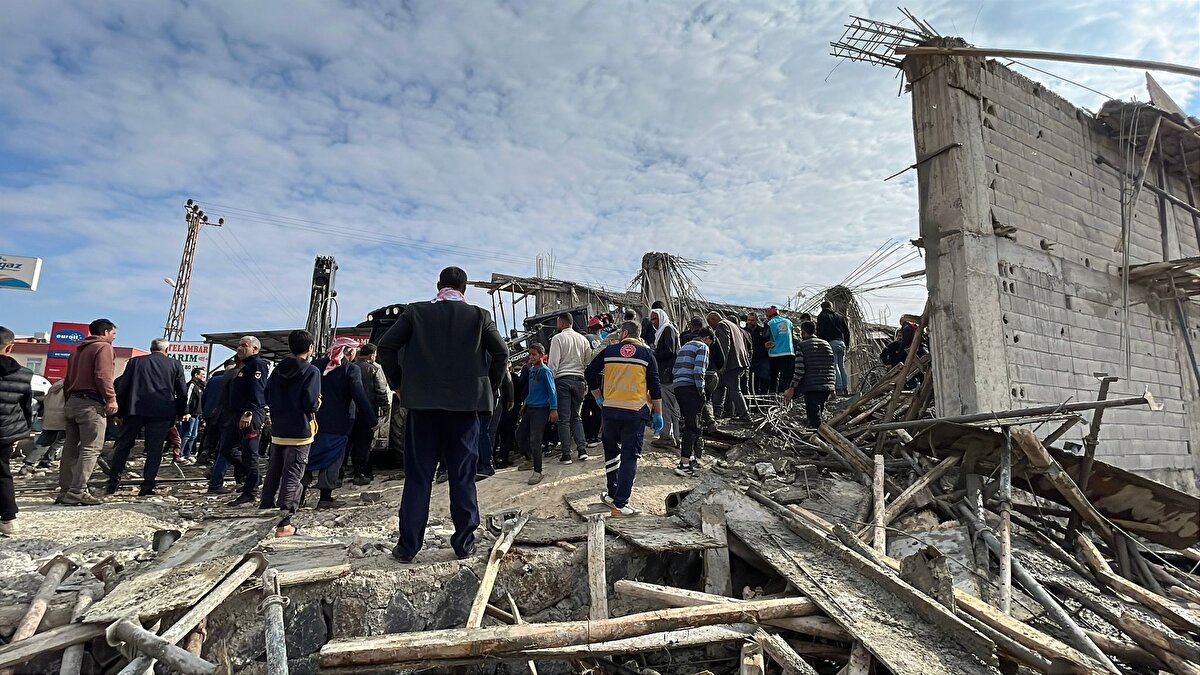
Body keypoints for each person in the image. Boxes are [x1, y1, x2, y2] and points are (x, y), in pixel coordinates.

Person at [378, 266, 508, 563]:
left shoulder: (416, 312)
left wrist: (397, 384)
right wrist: (490, 386)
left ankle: (408, 547)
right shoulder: (479, 316)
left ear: (439, 285)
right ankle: (463, 543)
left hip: (422, 410)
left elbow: (386, 345)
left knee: (418, 478)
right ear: (464, 289)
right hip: (464, 411)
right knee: (462, 476)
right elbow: (500, 352)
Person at [585, 320, 663, 517]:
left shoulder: (610, 351)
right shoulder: (647, 355)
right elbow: (654, 386)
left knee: (611, 452)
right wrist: (658, 414)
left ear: (624, 333)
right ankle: (620, 505)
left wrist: (598, 397)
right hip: (634, 412)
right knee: (629, 456)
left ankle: (612, 493)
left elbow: (590, 372)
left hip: (610, 410)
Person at [106, 339, 187, 497]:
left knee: (123, 445)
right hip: (161, 411)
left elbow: (123, 386)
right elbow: (182, 391)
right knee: (154, 450)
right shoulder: (175, 364)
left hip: (134, 409)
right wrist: (181, 411)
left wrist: (119, 412)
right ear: (166, 350)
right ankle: (147, 485)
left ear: (151, 349)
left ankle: (113, 482)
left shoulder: (135, 362)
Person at [260, 330, 322, 537]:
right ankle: (284, 523)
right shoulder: (311, 371)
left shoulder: (277, 370)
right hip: (300, 431)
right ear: (310, 348)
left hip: (278, 429)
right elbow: (311, 403)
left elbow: (267, 395)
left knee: (273, 472)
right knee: (293, 475)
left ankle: (265, 511)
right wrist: (318, 402)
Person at [308, 337, 378, 508]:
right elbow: (359, 396)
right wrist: (372, 421)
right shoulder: (350, 369)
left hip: (312, 422)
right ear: (350, 352)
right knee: (332, 458)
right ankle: (325, 498)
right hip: (338, 423)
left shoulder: (316, 365)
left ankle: (299, 496)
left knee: (308, 457)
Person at [59, 318, 118, 506]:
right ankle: (77, 491)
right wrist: (111, 398)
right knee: (90, 448)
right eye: (113, 334)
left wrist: (69, 402)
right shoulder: (103, 348)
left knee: (70, 449)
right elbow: (102, 375)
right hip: (91, 403)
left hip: (73, 402)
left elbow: (67, 381)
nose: (114, 337)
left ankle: (66, 490)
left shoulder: (76, 351)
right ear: (106, 332)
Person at [208, 336, 269, 506]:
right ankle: (253, 477)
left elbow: (258, 391)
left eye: (244, 346)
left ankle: (250, 492)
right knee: (226, 449)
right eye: (239, 345)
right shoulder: (246, 366)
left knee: (250, 454)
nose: (239, 348)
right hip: (235, 415)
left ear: (255, 349)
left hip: (249, 414)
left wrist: (249, 412)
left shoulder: (258, 365)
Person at [0, 326, 33, 534]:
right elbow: (26, 408)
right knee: (3, 474)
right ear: (10, 347)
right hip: (4, 433)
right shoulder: (23, 374)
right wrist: (21, 431)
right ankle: (9, 519)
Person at [548, 313, 593, 464]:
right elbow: (588, 360)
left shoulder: (558, 338)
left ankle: (566, 454)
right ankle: (582, 449)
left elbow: (553, 364)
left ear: (561, 323)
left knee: (564, 419)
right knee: (576, 417)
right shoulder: (583, 339)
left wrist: (550, 382)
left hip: (563, 380)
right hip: (579, 380)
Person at [672, 327, 712, 477]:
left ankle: (692, 458)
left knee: (692, 422)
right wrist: (701, 390)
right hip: (691, 388)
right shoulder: (702, 347)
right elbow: (698, 370)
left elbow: (675, 370)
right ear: (707, 338)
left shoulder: (685, 346)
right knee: (692, 426)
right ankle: (684, 463)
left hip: (679, 387)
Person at [351, 343, 391, 485]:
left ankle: (353, 472)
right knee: (364, 444)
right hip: (367, 412)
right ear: (372, 355)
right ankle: (361, 473)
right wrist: (386, 409)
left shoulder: (350, 367)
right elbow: (381, 391)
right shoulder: (374, 369)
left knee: (353, 443)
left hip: (350, 413)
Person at [517, 343, 557, 485]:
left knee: (535, 439)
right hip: (530, 407)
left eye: (534, 354)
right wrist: (526, 403)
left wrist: (553, 409)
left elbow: (552, 391)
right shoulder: (531, 369)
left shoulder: (545, 371)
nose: (531, 357)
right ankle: (529, 459)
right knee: (520, 434)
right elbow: (532, 390)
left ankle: (538, 471)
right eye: (530, 354)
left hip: (541, 409)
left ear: (541, 355)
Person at [784, 322, 836, 428]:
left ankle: (817, 438)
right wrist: (833, 386)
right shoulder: (827, 344)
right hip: (827, 384)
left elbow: (799, 369)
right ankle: (821, 435)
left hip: (812, 386)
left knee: (814, 419)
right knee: (819, 411)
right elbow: (832, 366)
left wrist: (792, 387)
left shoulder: (802, 346)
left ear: (803, 332)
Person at [707, 312, 751, 423]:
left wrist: (722, 365)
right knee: (719, 386)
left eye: (710, 323)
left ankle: (745, 416)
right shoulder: (733, 325)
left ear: (714, 318)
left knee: (734, 390)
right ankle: (717, 413)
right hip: (739, 362)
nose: (711, 327)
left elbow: (724, 346)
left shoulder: (722, 325)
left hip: (731, 364)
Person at [649, 308, 681, 449]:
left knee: (667, 407)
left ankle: (667, 436)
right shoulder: (662, 331)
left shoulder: (667, 330)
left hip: (667, 375)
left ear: (661, 318)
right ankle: (673, 436)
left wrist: (653, 354)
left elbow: (669, 351)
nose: (653, 322)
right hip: (667, 374)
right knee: (671, 407)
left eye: (655, 319)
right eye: (651, 319)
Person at [22, 379, 65, 473]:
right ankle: (43, 460)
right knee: (60, 439)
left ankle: (31, 462)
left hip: (50, 414)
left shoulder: (56, 385)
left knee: (46, 439)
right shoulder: (71, 385)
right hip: (62, 415)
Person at [197, 359, 233, 465]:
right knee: (221, 436)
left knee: (208, 433)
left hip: (209, 412)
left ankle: (203, 452)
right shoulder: (232, 379)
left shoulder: (213, 380)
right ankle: (215, 456)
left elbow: (205, 396)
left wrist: (203, 411)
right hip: (223, 413)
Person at [816, 301, 852, 396]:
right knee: (841, 366)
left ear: (822, 307)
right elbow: (847, 332)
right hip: (841, 343)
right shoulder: (839, 316)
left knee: (834, 366)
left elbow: (820, 332)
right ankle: (845, 388)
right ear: (831, 306)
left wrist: (821, 345)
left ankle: (839, 388)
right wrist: (846, 343)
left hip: (831, 343)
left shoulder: (822, 316)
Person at [764, 306, 796, 393]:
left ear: (769, 315)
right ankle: (783, 396)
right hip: (789, 352)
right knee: (785, 378)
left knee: (773, 377)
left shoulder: (770, 323)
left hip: (774, 353)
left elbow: (765, 336)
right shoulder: (788, 322)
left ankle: (773, 396)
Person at [178, 368, 206, 464]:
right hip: (190, 414)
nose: (203, 376)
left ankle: (187, 454)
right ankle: (180, 454)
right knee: (186, 434)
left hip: (197, 415)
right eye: (201, 374)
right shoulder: (191, 385)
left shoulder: (201, 387)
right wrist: (186, 412)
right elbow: (187, 399)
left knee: (193, 436)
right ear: (195, 375)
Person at [745, 312, 771, 395]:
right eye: (748, 320)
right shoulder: (744, 331)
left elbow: (767, 341)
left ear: (756, 321)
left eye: (752, 320)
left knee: (765, 378)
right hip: (750, 359)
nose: (749, 322)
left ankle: (763, 398)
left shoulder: (762, 330)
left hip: (762, 358)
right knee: (752, 382)